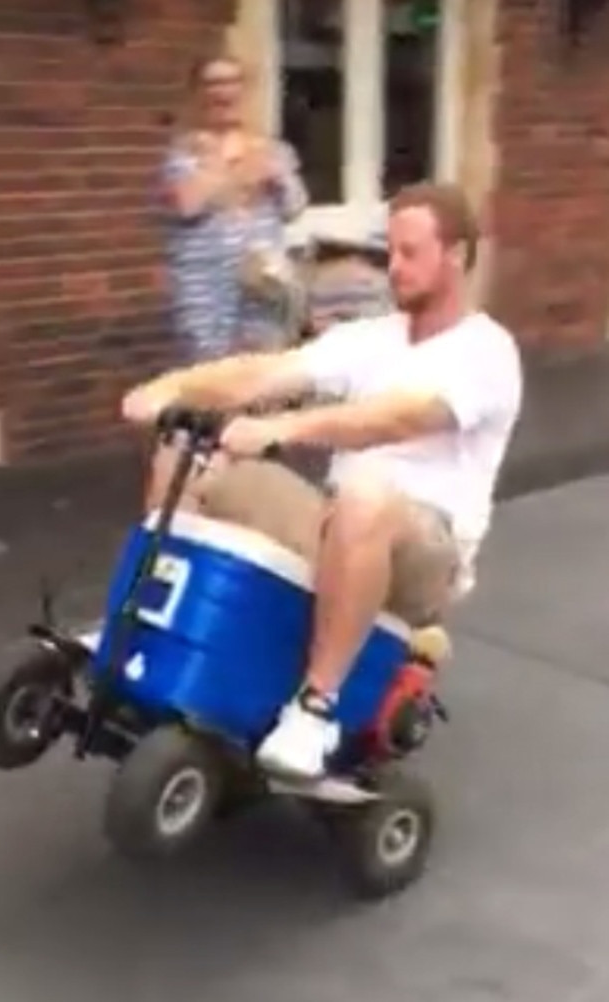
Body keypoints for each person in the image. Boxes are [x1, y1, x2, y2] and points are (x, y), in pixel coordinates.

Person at [122, 181, 523, 780]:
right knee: (189, 449)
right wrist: (173, 388)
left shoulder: (487, 352)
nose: (395, 267)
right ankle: (146, 619)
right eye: (391, 251)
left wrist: (285, 430)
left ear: (458, 255)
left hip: (423, 552)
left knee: (366, 495)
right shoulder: (373, 338)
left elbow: (398, 418)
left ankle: (316, 706)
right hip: (338, 521)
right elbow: (266, 372)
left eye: (411, 252)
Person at [161, 52, 308, 365]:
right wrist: (234, 169)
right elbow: (187, 205)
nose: (223, 91)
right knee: (209, 379)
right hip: (205, 289)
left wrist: (271, 172)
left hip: (263, 282)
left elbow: (294, 206)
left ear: (244, 89)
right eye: (213, 82)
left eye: (231, 81)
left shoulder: (273, 149)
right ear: (198, 92)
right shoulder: (183, 154)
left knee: (261, 375)